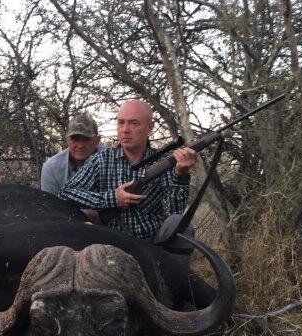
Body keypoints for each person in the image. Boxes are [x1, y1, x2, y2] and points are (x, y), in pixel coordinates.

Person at [58, 99, 198, 243]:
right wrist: (112, 199)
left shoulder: (165, 162)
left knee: (183, 228)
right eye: (121, 122)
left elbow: (174, 214)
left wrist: (180, 175)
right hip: (112, 243)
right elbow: (66, 192)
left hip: (155, 243)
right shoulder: (102, 159)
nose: (125, 129)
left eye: (133, 123)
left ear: (150, 127)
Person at [40, 112, 102, 195]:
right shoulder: (52, 167)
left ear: (97, 141)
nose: (80, 146)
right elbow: (48, 205)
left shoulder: (111, 160)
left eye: (86, 139)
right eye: (75, 139)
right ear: (67, 141)